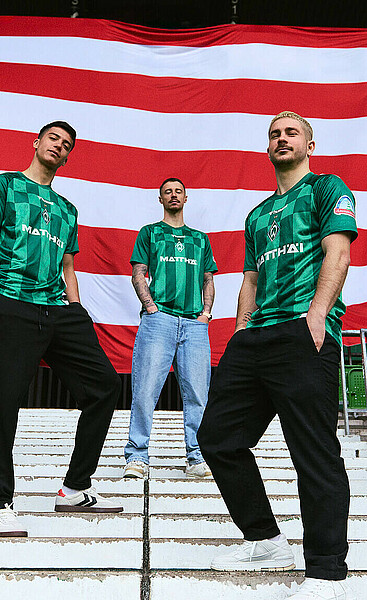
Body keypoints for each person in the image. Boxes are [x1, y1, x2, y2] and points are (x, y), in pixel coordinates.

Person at [197, 111, 356, 600]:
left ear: (310, 143)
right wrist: (241, 329)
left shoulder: (329, 188)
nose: (281, 139)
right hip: (255, 338)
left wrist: (316, 316)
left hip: (303, 332)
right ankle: (265, 539)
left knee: (313, 450)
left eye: (291, 132)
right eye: (274, 134)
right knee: (217, 438)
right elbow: (249, 277)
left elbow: (338, 251)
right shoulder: (257, 214)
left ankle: (327, 573)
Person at [0, 121, 123, 538]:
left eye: (67, 144)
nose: (60, 146)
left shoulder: (67, 208)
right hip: (13, 304)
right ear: (36, 142)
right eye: (53, 139)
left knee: (105, 386)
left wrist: (76, 309)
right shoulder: (4, 186)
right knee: (2, 402)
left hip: (59, 309)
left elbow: (68, 265)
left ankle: (74, 488)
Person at [124, 178, 217, 480]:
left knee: (197, 395)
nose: (173, 195)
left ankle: (197, 456)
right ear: (160, 199)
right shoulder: (150, 233)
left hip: (194, 323)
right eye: (168, 192)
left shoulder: (200, 238)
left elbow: (208, 279)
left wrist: (205, 314)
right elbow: (139, 273)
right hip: (159, 319)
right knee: (145, 390)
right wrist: (151, 307)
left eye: (178, 191)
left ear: (186, 198)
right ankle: (137, 456)